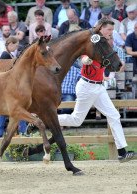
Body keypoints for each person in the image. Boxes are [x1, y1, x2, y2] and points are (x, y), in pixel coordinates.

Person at [57, 18, 137, 162]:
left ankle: (122, 152)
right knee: (76, 120)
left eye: (112, 30)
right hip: (87, 86)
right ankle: (46, 119)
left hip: (98, 86)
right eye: (109, 30)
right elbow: (83, 54)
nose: (111, 33)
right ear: (101, 28)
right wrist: (84, 59)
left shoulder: (104, 42)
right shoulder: (93, 40)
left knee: (114, 115)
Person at [0, 36, 27, 138]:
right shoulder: (5, 55)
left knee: (5, 112)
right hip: (6, 87)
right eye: (15, 45)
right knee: (17, 109)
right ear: (10, 44)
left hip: (7, 87)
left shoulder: (9, 55)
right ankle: (23, 131)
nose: (16, 48)